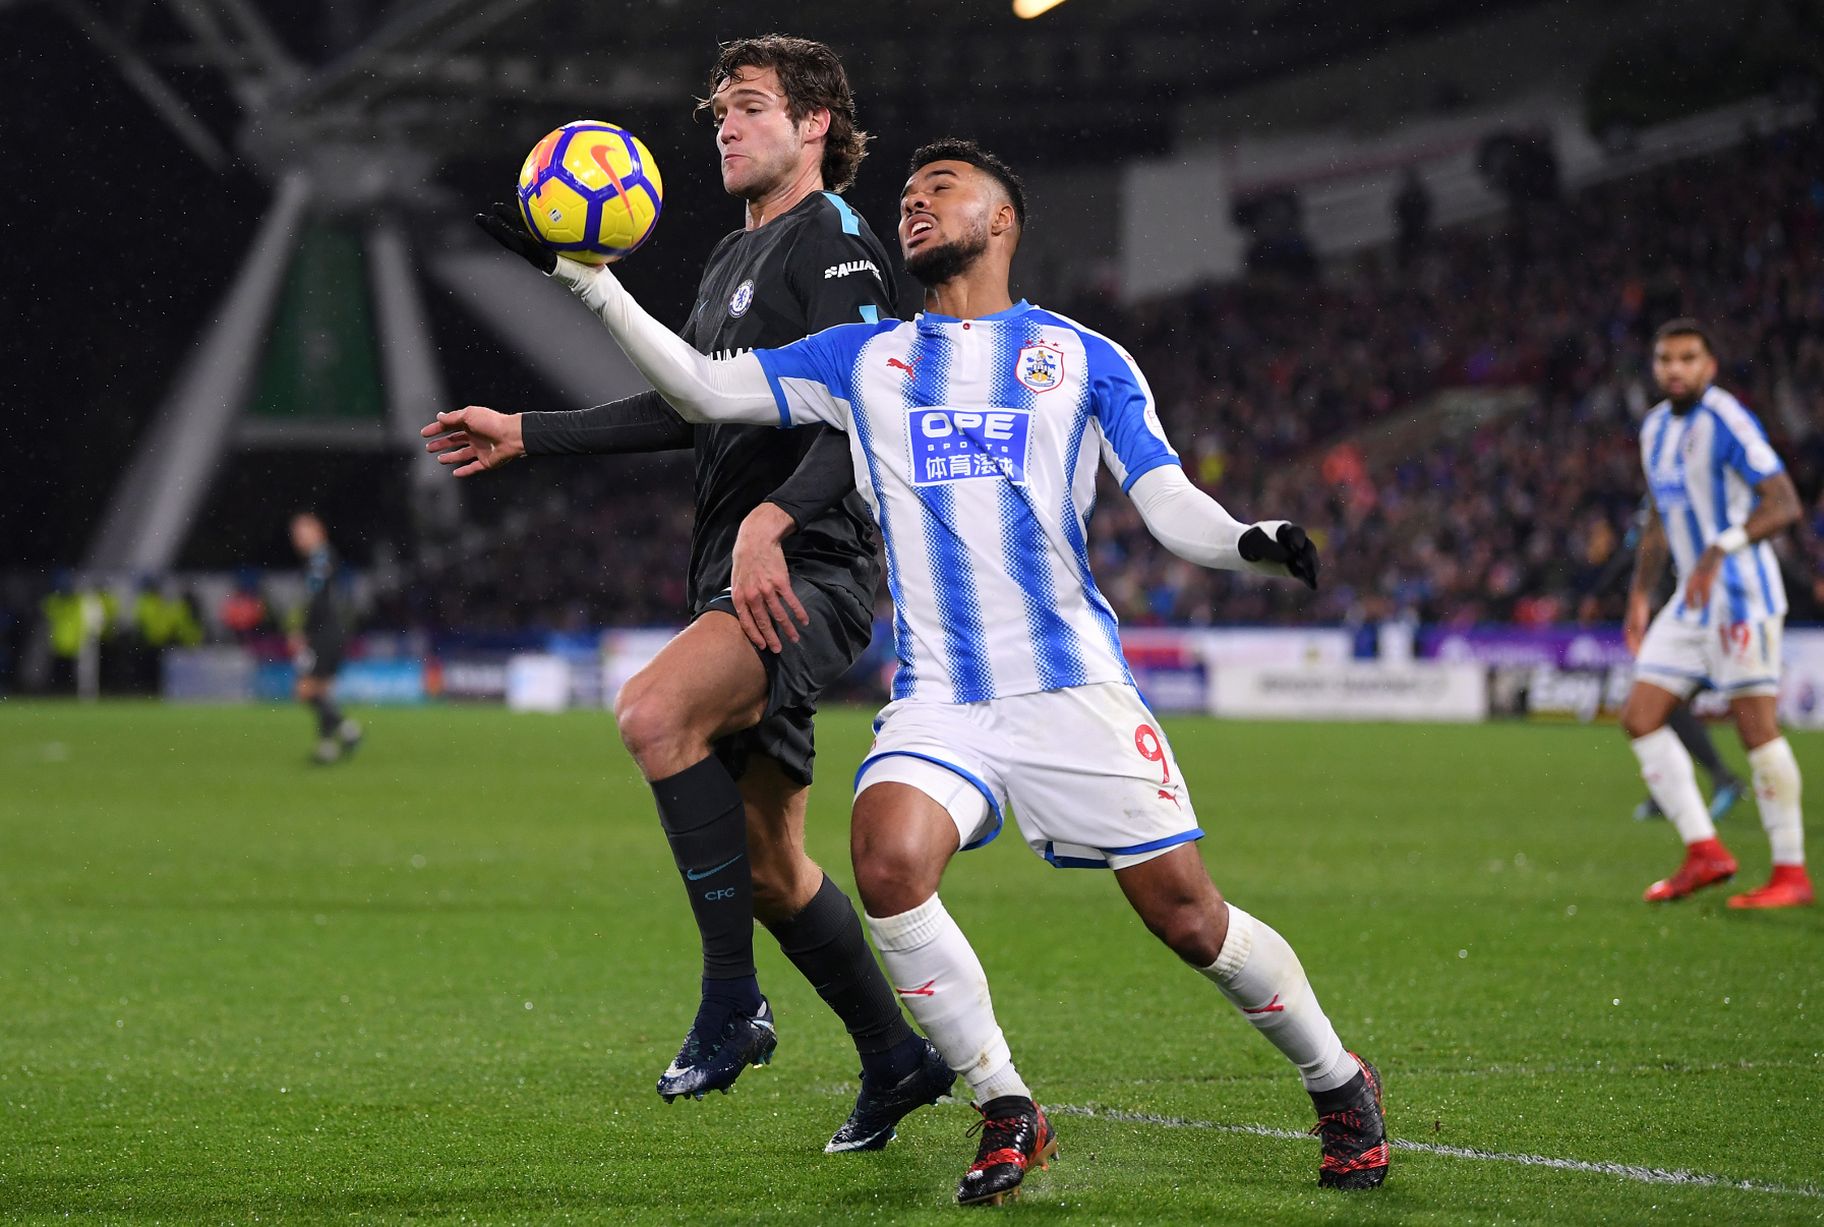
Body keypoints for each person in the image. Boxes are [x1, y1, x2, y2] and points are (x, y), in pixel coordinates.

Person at [528, 136, 1389, 1205]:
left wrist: (1244, 540)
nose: (917, 206)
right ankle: (1003, 1105)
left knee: (1188, 918)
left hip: (1069, 686)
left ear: (1005, 219)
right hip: (941, 698)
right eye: (907, 196)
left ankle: (1337, 1079)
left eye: (943, 190)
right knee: (886, 860)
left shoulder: (1083, 356)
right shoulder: (867, 359)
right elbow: (703, 392)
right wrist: (593, 285)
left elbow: (1165, 497)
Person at [422, 36, 951, 1150]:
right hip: (741, 567)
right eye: (718, 111)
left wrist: (774, 519)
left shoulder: (839, 243)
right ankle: (896, 1057)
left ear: (814, 126)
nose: (725, 125)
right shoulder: (724, 261)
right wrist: (529, 432)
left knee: (652, 711)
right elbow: (693, 406)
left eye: (750, 107)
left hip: (811, 567)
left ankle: (731, 1006)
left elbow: (870, 406)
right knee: (769, 871)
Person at [1622, 320, 1812, 908]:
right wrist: (1640, 594)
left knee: (1755, 727)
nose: (1675, 369)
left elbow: (1784, 502)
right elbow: (1659, 516)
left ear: (1710, 366)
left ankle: (1791, 874)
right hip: (1688, 601)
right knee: (1640, 714)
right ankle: (1705, 851)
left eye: (1688, 358)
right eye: (1665, 358)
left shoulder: (1726, 420)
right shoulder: (1654, 428)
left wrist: (1718, 548)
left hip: (1739, 594)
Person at [1587, 499, 1746, 822]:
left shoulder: (1663, 497)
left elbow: (1632, 555)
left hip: (1687, 621)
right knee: (1662, 710)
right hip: (1704, 613)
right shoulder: (1695, 499)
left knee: (1659, 707)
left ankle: (1718, 779)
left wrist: (1598, 594)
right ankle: (1672, 792)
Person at [289, 513, 362, 766]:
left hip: (324, 632)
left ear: (318, 531)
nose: (297, 538)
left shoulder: (320, 557)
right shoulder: (318, 559)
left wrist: (303, 631)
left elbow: (315, 599)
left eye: (302, 532)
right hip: (333, 630)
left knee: (304, 690)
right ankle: (327, 746)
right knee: (321, 691)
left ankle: (348, 729)